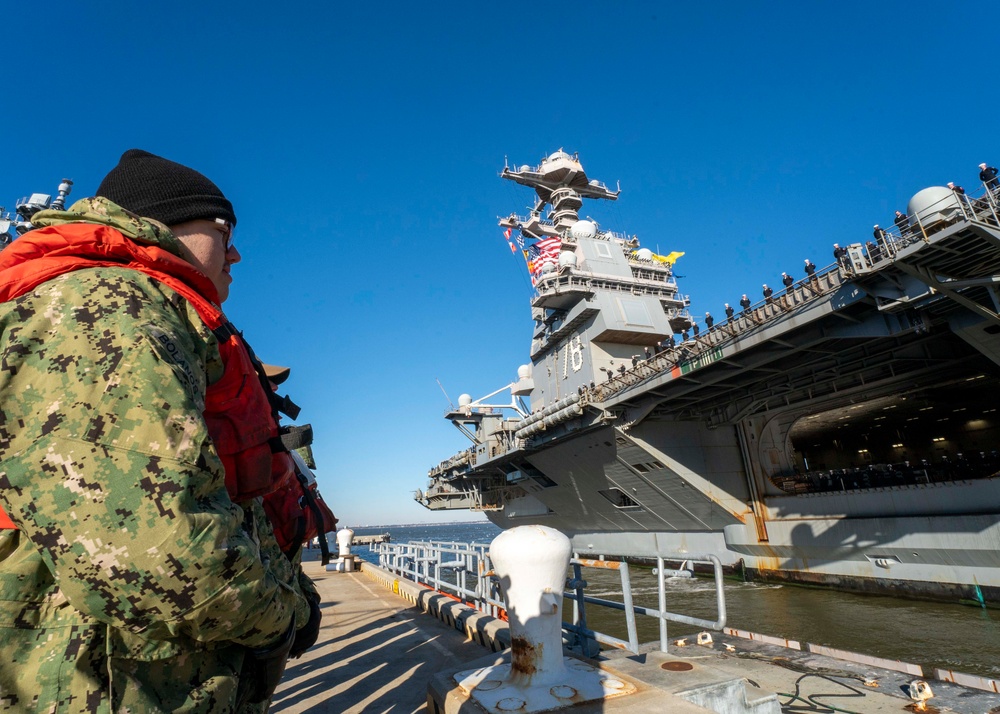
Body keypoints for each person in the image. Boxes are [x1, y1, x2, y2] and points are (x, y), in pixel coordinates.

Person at [0, 150, 320, 710]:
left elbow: (203, 492)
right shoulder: (104, 305)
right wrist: (282, 617)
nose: (236, 253)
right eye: (225, 230)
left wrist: (294, 590)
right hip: (103, 682)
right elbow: (141, 546)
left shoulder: (146, 306)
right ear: (169, 222)